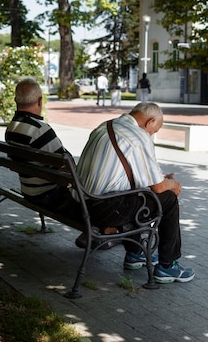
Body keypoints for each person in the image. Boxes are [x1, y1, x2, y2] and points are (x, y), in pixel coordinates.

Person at [76, 102, 195, 283]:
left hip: (82, 203)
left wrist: (160, 179)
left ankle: (136, 253)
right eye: (154, 131)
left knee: (138, 194)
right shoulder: (138, 136)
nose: (152, 134)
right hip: (104, 211)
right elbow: (158, 187)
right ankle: (167, 265)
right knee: (168, 199)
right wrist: (172, 183)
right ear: (150, 121)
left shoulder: (106, 125)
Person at [5, 78, 72, 208]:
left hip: (28, 191)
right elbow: (65, 163)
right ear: (40, 101)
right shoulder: (40, 129)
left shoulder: (11, 128)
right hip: (48, 194)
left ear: (16, 101)